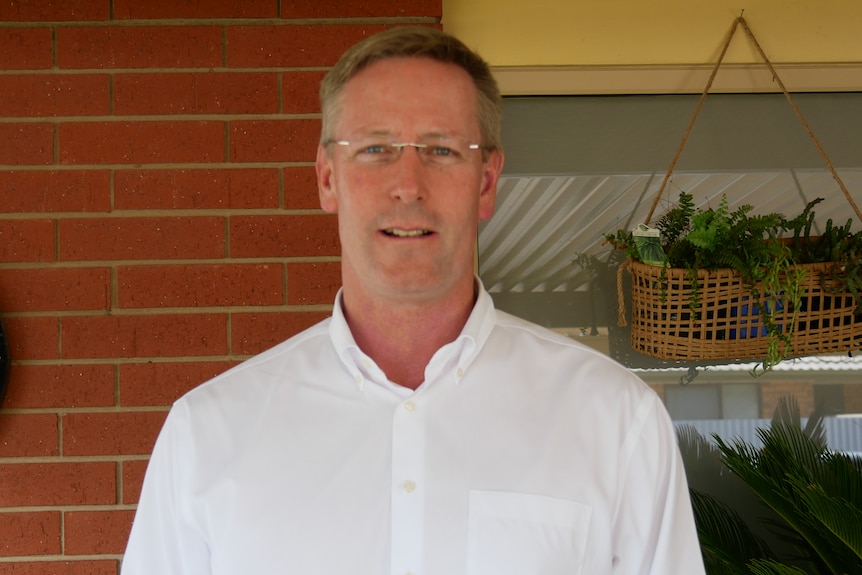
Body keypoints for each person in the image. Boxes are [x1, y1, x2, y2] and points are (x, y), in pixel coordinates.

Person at [122, 26, 706, 575]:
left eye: (442, 149)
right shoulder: (206, 435)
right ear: (328, 177)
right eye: (375, 148)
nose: (408, 183)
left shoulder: (615, 422)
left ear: (485, 181)